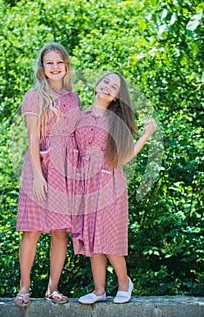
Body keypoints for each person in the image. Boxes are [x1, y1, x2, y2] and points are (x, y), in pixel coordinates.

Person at [72, 72, 157, 304]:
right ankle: (99, 291)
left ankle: (124, 283)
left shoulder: (115, 120)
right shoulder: (80, 116)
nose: (108, 87)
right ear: (98, 84)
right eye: (106, 82)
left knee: (109, 238)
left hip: (109, 182)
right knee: (92, 238)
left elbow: (126, 156)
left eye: (115, 87)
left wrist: (147, 134)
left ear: (118, 97)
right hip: (85, 185)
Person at [15, 43, 81, 307]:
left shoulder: (73, 98)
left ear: (66, 65)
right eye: (49, 63)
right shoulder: (35, 96)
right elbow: (33, 138)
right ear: (42, 68)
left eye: (59, 62)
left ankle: (52, 288)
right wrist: (38, 176)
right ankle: (24, 287)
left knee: (60, 232)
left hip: (65, 170)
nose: (54, 67)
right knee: (31, 229)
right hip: (39, 168)